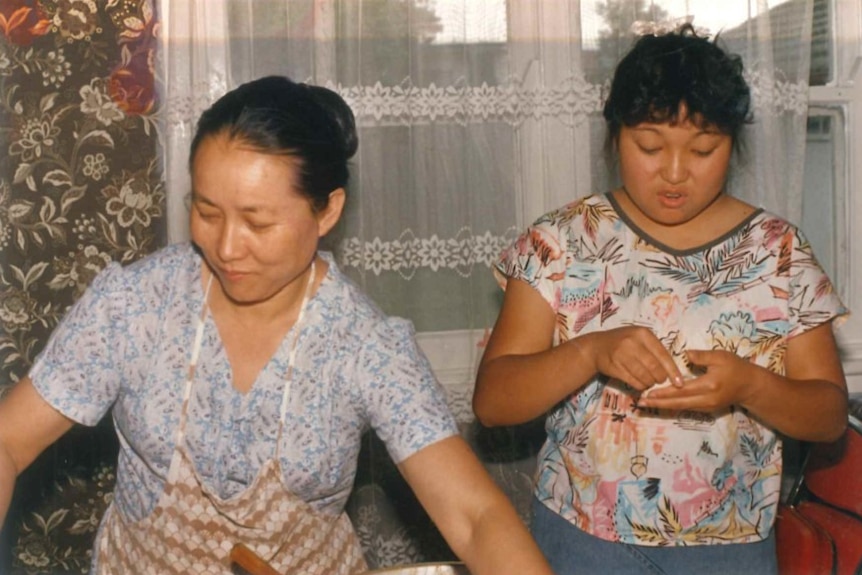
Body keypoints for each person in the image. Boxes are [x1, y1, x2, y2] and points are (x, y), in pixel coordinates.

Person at [0, 75, 554, 575]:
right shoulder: (135, 305)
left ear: (327, 212)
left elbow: (477, 517)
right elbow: (7, 441)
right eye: (207, 212)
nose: (225, 247)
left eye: (257, 222)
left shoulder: (364, 346)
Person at [473, 23, 849, 575]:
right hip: (583, 541)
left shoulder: (777, 251)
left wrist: (750, 385)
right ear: (614, 136)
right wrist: (589, 352)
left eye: (703, 149)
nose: (675, 173)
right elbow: (493, 401)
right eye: (649, 146)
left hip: (732, 548)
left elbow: (829, 415)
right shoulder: (561, 241)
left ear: (732, 144)